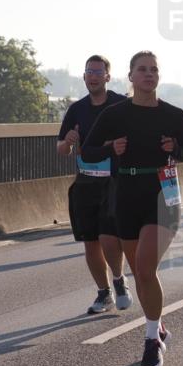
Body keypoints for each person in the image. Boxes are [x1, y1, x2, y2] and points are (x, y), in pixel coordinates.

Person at [81, 51, 183, 366]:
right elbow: (87, 151)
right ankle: (158, 324)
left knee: (145, 269)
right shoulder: (115, 115)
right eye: (142, 70)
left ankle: (151, 341)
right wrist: (109, 148)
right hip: (127, 196)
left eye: (154, 69)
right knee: (141, 272)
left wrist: (176, 149)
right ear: (130, 77)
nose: (149, 74)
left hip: (162, 194)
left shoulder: (174, 114)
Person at [57, 55, 132, 314]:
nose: (94, 76)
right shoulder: (77, 109)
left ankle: (120, 281)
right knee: (90, 242)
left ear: (108, 77)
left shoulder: (121, 105)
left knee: (109, 237)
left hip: (115, 180)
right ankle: (104, 293)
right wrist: (67, 141)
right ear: (84, 76)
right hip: (86, 181)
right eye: (90, 72)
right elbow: (61, 149)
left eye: (99, 72)